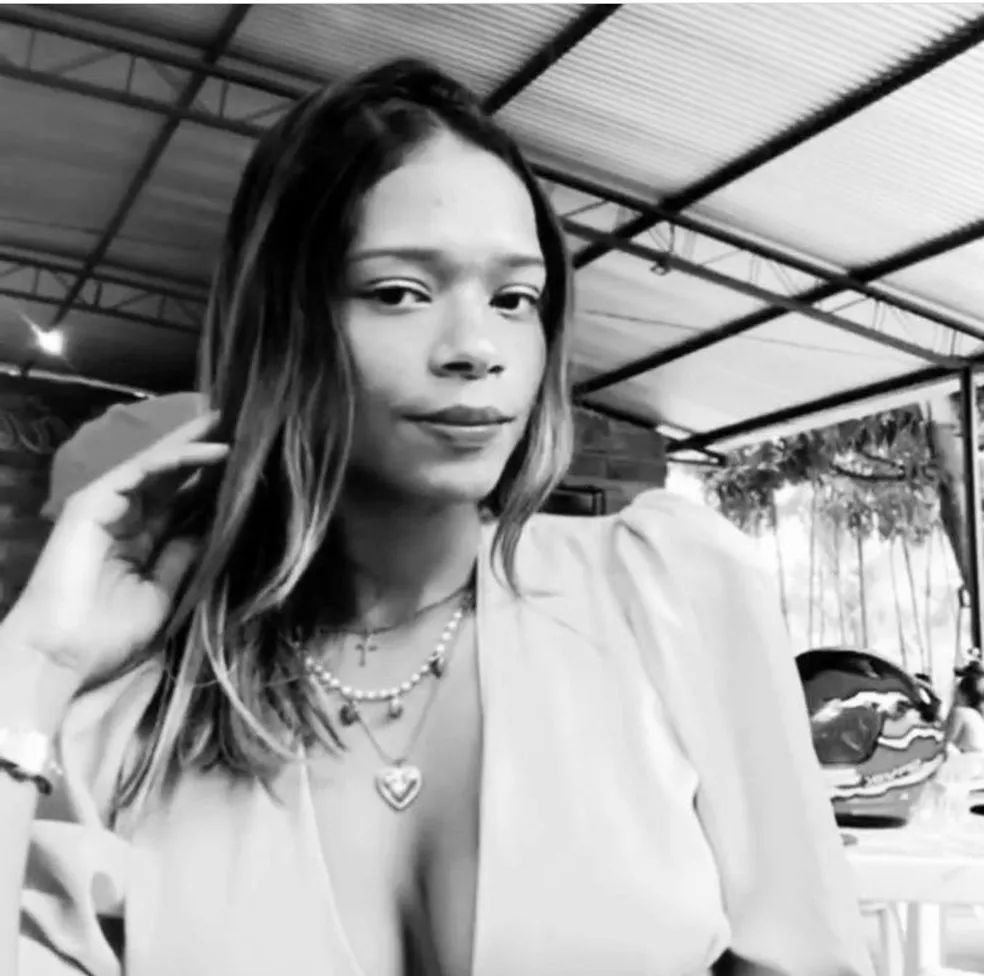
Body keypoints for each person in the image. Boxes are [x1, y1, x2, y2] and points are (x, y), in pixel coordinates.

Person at [0, 59, 873, 976]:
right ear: (282, 325)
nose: (476, 349)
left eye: (514, 299)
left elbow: (808, 960)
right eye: (398, 293)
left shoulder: (662, 590)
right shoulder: (144, 716)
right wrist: (33, 662)